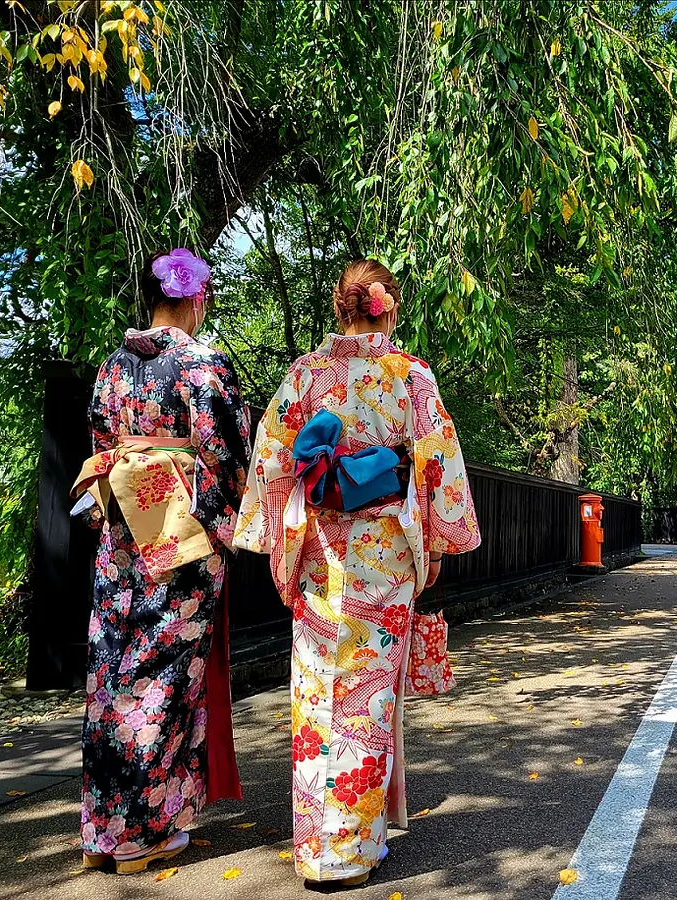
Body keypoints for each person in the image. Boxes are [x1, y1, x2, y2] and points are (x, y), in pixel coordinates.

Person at [234, 259, 480, 887]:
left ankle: (318, 849)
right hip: (386, 556)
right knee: (367, 699)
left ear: (340, 310)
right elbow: (435, 468)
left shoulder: (303, 376)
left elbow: (274, 464)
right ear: (388, 309)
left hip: (322, 554)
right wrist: (440, 538)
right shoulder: (411, 377)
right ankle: (351, 852)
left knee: (316, 697)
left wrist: (277, 541)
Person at [72, 249, 251, 875]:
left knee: (112, 675)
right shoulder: (204, 367)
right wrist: (227, 526)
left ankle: (102, 828)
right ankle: (142, 832)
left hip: (122, 533)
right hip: (178, 539)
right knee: (164, 678)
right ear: (196, 300)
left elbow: (100, 445)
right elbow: (230, 456)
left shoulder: (112, 367)